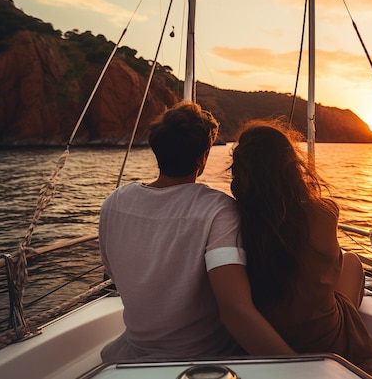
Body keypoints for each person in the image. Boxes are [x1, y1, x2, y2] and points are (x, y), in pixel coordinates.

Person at [98, 102, 293, 362]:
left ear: (157, 150)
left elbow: (112, 272)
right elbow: (234, 310)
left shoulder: (115, 202)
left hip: (133, 355)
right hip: (203, 359)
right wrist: (297, 365)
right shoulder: (217, 210)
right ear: (203, 157)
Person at [230, 119, 372, 379]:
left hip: (262, 334)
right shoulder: (325, 213)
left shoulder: (231, 218)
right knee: (351, 261)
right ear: (290, 166)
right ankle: (347, 360)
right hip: (322, 342)